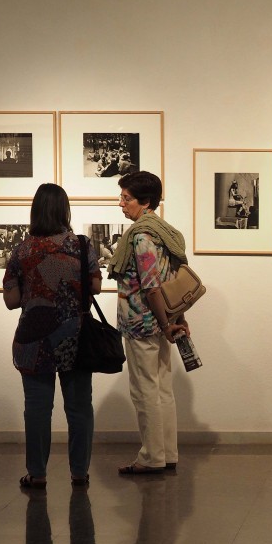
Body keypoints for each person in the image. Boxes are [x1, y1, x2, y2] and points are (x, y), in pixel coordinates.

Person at [3, 183, 101, 489]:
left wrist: (35, 289)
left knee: (37, 408)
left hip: (34, 338)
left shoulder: (22, 250)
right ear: (64, 210)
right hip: (75, 338)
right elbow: (96, 287)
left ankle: (38, 473)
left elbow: (11, 300)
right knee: (79, 407)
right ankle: (79, 473)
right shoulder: (83, 246)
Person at [106, 171, 189, 475]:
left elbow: (152, 285)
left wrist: (168, 324)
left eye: (126, 198)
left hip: (142, 322)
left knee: (145, 391)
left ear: (145, 201)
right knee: (163, 388)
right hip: (161, 320)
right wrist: (176, 319)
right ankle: (167, 453)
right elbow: (175, 281)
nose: (121, 204)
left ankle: (151, 456)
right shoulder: (165, 231)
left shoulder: (141, 236)